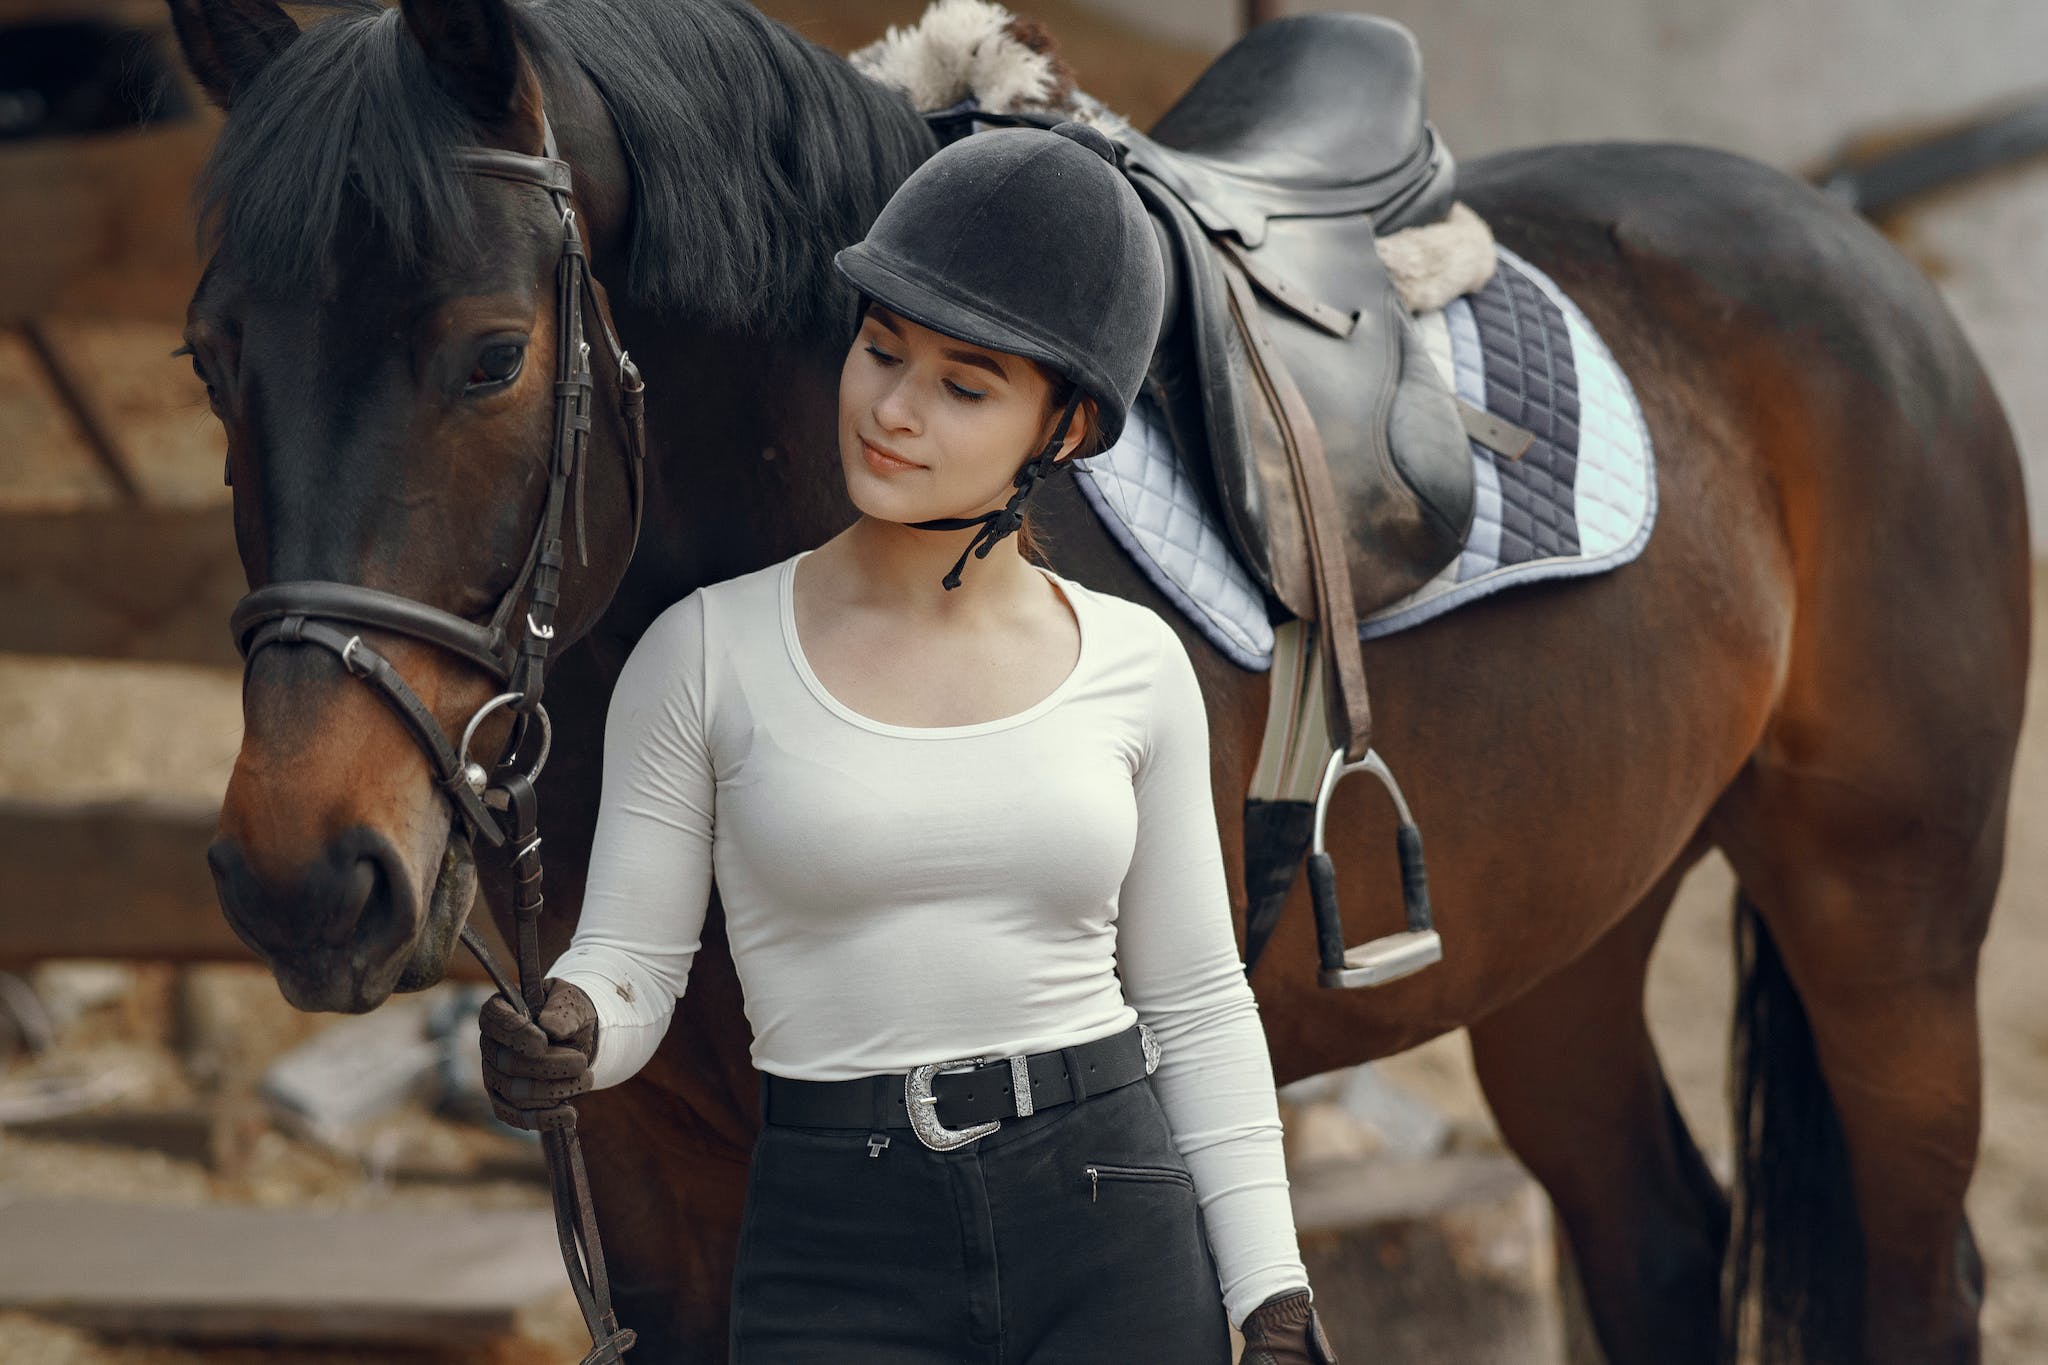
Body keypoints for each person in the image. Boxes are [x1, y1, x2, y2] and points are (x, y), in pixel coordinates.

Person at [479, 121, 1335, 1365]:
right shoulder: (705, 652)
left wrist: (1271, 1292)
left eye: (963, 386)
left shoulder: (1133, 665)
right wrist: (569, 1027)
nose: (892, 410)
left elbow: (1197, 1006)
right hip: (833, 1241)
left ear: (1069, 431)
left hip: (1110, 1212)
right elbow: (634, 965)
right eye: (881, 352)